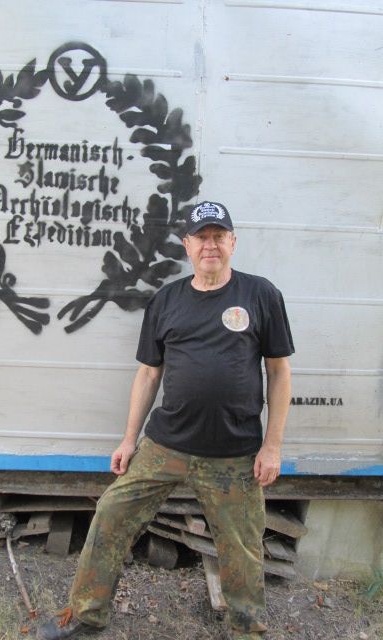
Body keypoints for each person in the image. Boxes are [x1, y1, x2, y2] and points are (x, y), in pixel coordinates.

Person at [38, 201, 294, 640]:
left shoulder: (260, 295)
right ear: (187, 245)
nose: (210, 245)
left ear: (232, 242)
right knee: (112, 514)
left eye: (218, 236)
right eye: (202, 237)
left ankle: (246, 630)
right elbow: (148, 374)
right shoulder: (167, 300)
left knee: (242, 548)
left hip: (234, 454)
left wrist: (272, 447)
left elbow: (279, 372)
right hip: (166, 444)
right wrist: (128, 440)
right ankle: (87, 615)